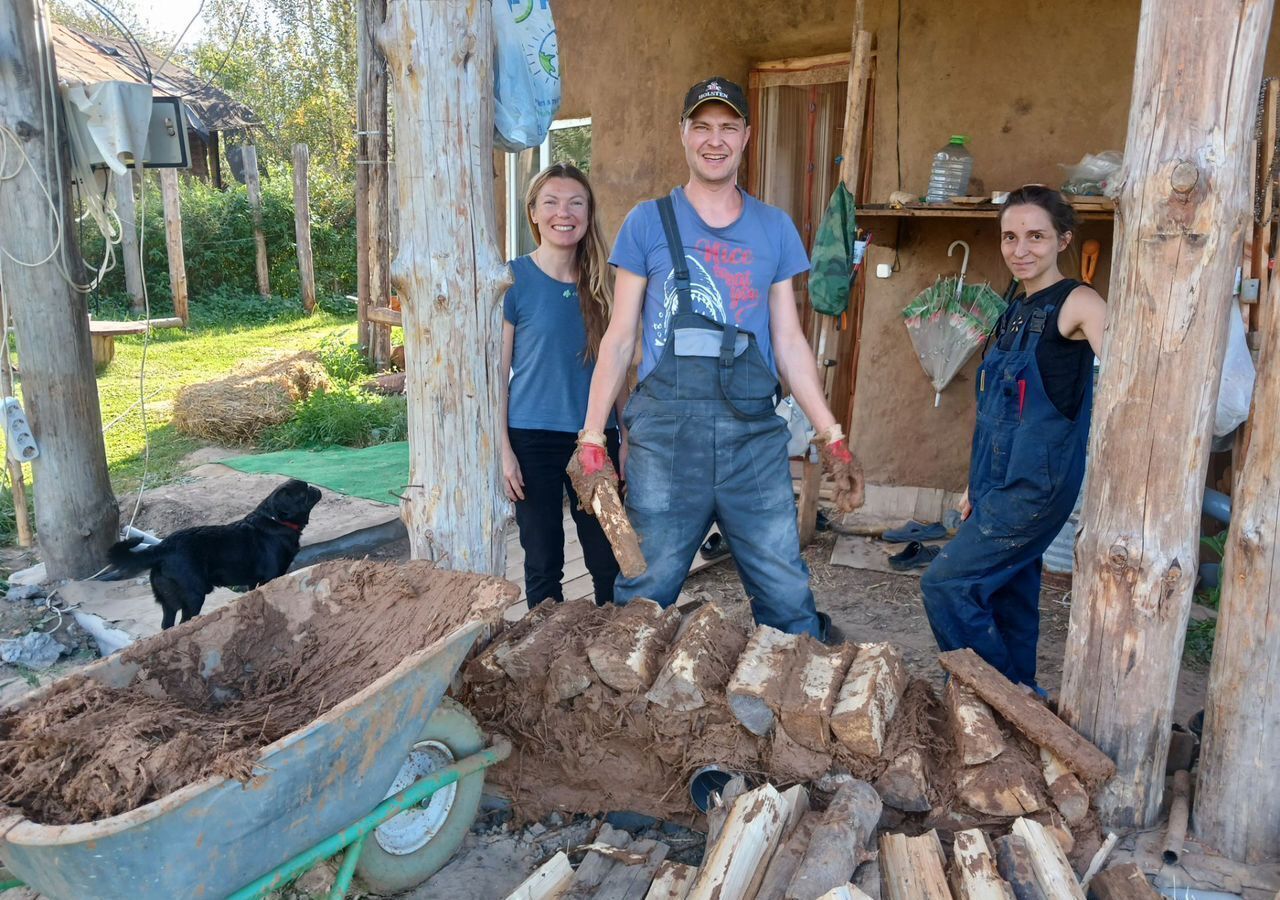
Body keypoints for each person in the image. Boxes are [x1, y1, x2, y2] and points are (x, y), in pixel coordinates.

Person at [569, 77, 863, 640]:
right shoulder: (647, 222)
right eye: (701, 126)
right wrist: (591, 438)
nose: (714, 140)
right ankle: (620, 713)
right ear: (683, 134)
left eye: (728, 127)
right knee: (644, 595)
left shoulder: (774, 228)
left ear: (747, 136)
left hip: (753, 441)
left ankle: (790, 708)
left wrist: (832, 437)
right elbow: (621, 336)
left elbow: (789, 342)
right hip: (666, 444)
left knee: (786, 596)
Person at [921, 185, 1107, 692]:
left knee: (945, 584)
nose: (1021, 249)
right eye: (1010, 237)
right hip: (993, 482)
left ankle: (999, 696)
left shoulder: (1079, 302)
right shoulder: (1012, 311)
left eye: (1036, 237)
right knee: (1010, 594)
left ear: (1063, 239)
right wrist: (971, 485)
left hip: (1034, 486)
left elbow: (1126, 372)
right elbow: (995, 415)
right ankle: (1020, 695)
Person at [500, 162, 623, 608]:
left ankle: (612, 644)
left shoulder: (605, 283)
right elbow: (497, 374)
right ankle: (544, 652)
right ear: (533, 212)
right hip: (532, 438)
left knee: (608, 556)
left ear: (588, 214)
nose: (563, 212)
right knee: (543, 559)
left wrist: (623, 436)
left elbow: (619, 365)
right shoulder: (512, 280)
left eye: (576, 203)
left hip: (596, 439)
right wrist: (503, 449)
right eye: (550, 202)